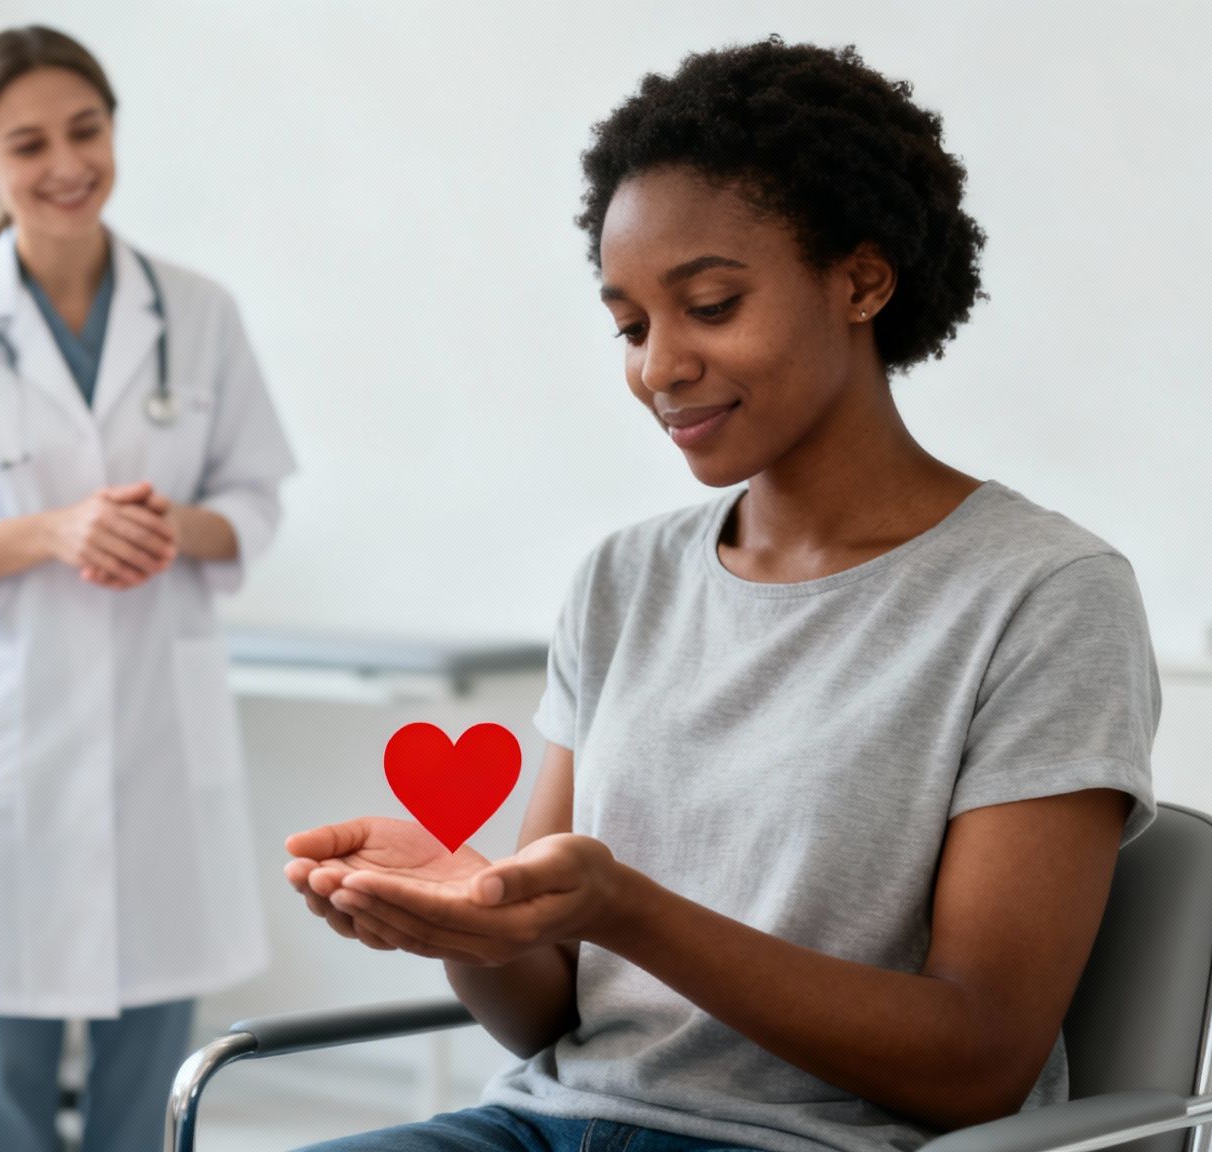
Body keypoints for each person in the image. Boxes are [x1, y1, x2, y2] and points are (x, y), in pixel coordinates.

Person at [284, 38, 1157, 1152]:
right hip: (543, 1128)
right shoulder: (620, 580)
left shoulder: (1039, 595)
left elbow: (978, 1062)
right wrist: (470, 921)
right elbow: (542, 1015)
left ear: (860, 280)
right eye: (631, 324)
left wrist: (625, 909)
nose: (657, 367)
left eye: (707, 303)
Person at [0, 25, 294, 1152]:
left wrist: (166, 528)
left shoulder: (197, 312)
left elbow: (255, 499)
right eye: (28, 141)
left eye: (85, 130)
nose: (65, 163)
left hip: (154, 723)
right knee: (0, 1084)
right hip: (6, 726)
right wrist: (53, 532)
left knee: (151, 1079)